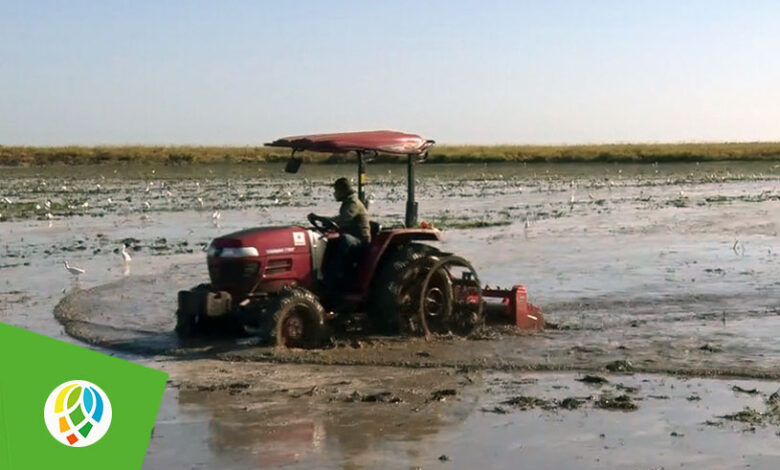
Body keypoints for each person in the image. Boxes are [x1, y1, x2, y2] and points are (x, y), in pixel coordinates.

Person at [307, 177, 371, 293]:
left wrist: (321, 218)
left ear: (343, 190)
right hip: (352, 235)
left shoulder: (353, 202)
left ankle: (335, 277)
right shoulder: (347, 202)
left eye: (336, 190)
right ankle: (323, 275)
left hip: (360, 239)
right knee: (328, 240)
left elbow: (344, 219)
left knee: (344, 240)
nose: (335, 193)